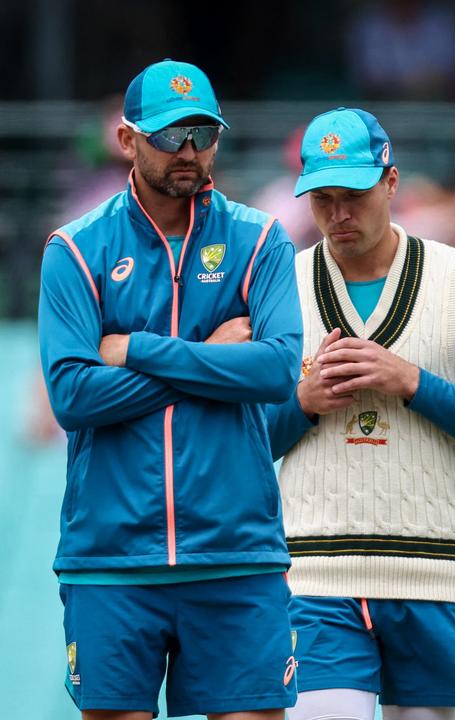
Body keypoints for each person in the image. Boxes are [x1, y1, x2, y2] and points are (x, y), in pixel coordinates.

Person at [37, 59, 302, 719]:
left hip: (236, 555)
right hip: (113, 559)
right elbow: (73, 397)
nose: (188, 150)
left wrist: (143, 352)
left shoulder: (259, 238)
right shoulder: (74, 249)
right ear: (127, 141)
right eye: (169, 135)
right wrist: (211, 361)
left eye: (202, 133)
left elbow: (274, 372)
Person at [264, 107, 455, 720]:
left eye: (355, 194)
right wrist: (302, 403)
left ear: (391, 183)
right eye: (323, 198)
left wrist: (412, 382)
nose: (339, 213)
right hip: (315, 569)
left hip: (432, 567)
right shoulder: (278, 287)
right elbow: (240, 437)